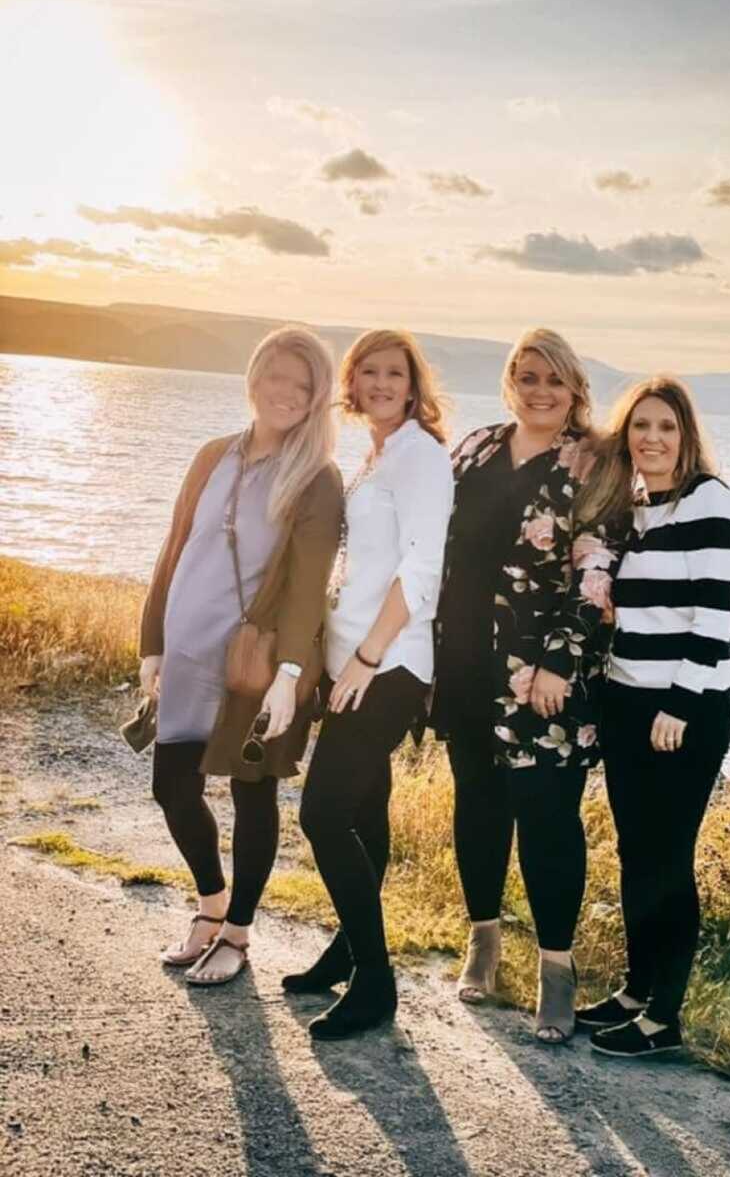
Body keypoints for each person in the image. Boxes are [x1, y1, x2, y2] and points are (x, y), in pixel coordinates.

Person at [430, 328, 624, 1044]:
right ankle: (483, 940)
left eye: (554, 379)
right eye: (527, 375)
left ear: (575, 388)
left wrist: (559, 664)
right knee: (477, 802)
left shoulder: (595, 460)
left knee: (547, 817)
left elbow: (598, 568)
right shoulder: (476, 446)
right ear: (511, 379)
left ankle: (556, 968)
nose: (540, 389)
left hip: (545, 674)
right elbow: (438, 544)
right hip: (463, 661)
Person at [139, 326, 342, 986]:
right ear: (254, 377)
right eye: (275, 375)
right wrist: (151, 644)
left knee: (254, 795)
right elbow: (174, 550)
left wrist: (289, 676)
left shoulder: (316, 478)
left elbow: (310, 588)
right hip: (188, 651)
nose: (285, 392)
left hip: (255, 665)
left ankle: (238, 934)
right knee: (172, 785)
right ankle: (209, 904)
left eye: (301, 384)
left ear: (316, 399)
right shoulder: (212, 454)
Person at [281, 328, 454, 1040]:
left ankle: (376, 984)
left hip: (389, 667)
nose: (381, 383)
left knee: (322, 815)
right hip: (351, 660)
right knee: (363, 817)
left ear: (414, 387)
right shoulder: (377, 455)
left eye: (395, 372)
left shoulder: (421, 456)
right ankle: (346, 952)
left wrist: (369, 657)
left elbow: (422, 569)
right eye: (369, 371)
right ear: (352, 384)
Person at [575, 375, 730, 1057]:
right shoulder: (638, 509)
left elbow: (716, 620)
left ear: (686, 435)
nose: (652, 438)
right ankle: (636, 989)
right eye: (640, 426)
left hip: (684, 710)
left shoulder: (710, 502)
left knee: (669, 859)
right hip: (626, 698)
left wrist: (679, 703)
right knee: (637, 852)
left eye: (666, 427)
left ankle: (663, 1017)